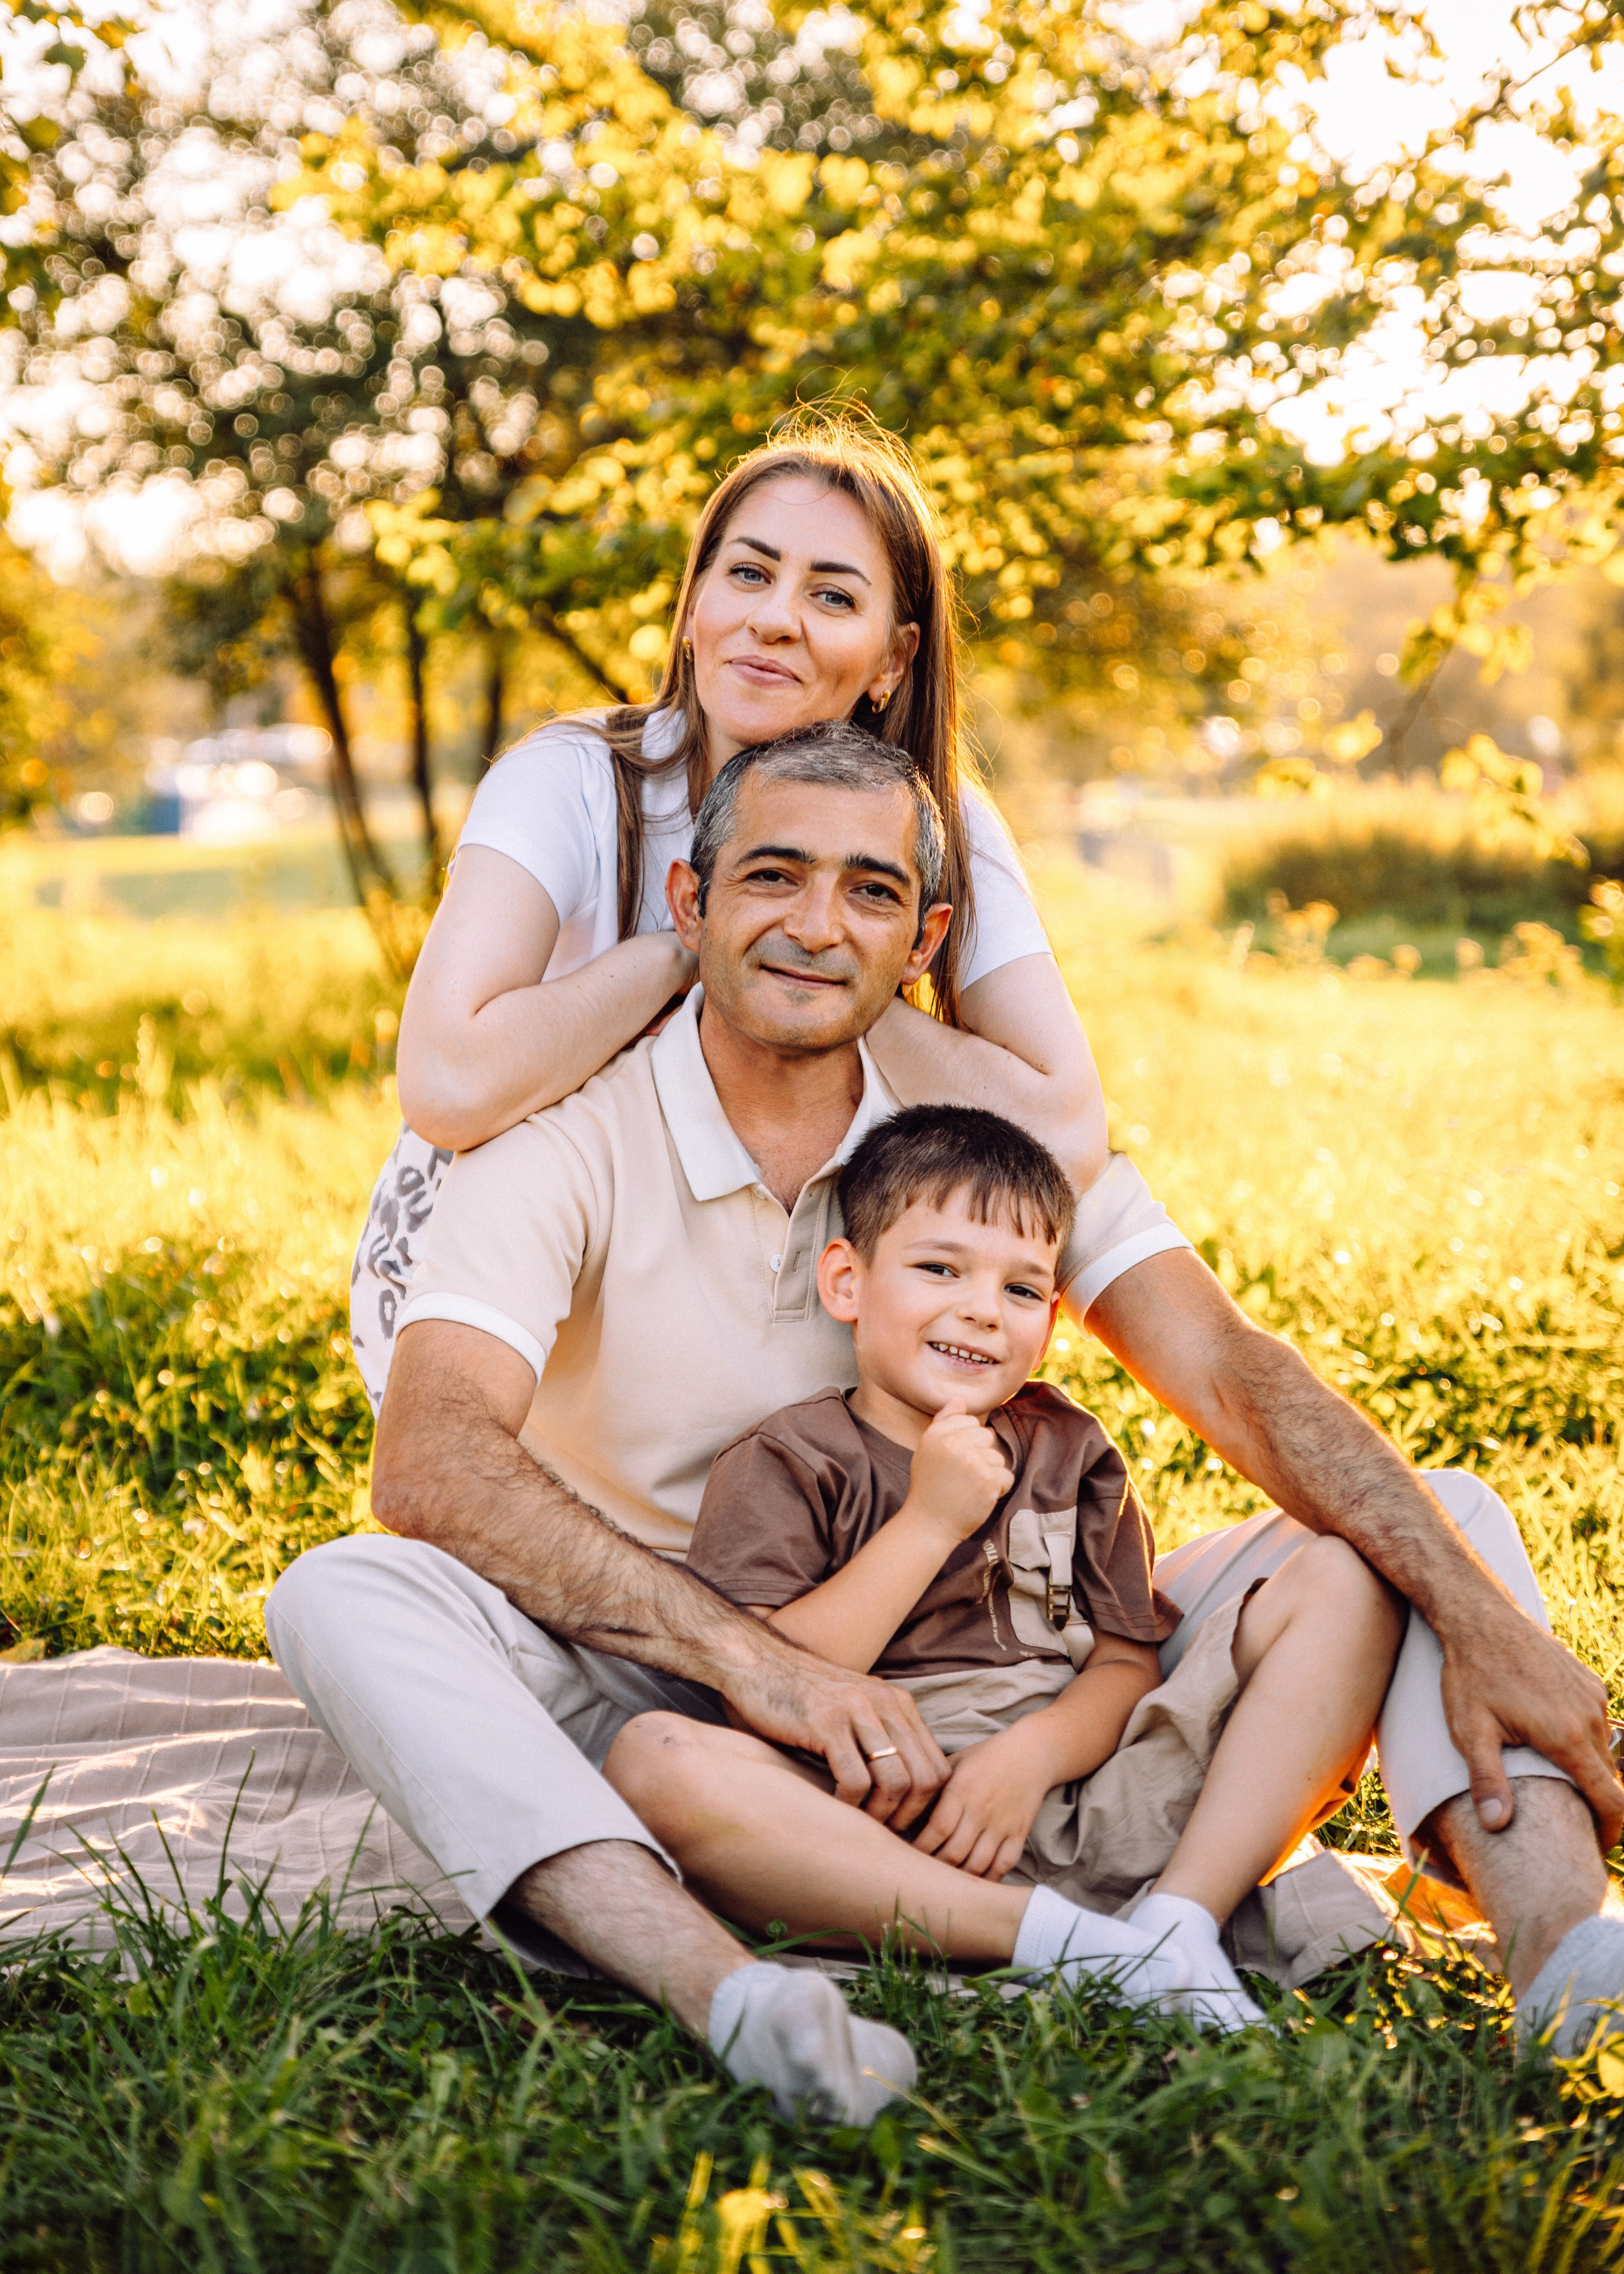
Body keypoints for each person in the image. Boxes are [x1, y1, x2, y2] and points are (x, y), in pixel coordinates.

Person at [265, 726, 1622, 2129]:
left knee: (1438, 1515)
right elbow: (428, 1456)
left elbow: (1221, 1361)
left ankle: (1557, 1956)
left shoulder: (976, 1148)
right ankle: (733, 1996)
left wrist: (1474, 1610)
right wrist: (761, 1668)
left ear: (922, 937)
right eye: (771, 876)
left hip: (1008, 1660)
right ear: (690, 903)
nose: (811, 923)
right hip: (664, 1669)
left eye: (865, 890)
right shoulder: (565, 1140)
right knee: (342, 1590)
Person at [350, 414, 1106, 1414]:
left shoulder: (940, 820)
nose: (775, 618)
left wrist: (826, 962)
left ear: (892, 658)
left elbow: (1067, 1128)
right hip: (524, 1290)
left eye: (832, 595)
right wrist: (696, 948)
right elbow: (447, 1081)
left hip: (773, 1268)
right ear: (695, 607)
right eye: (747, 575)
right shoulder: (578, 777)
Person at [611, 1102, 1406, 2034]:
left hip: (1087, 1797)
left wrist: (1028, 1760)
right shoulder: (790, 1459)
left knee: (1352, 1576)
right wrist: (929, 1521)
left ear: (1052, 1322)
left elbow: (1123, 1663)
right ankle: (1069, 1945)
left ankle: (1181, 1921)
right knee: (654, 1760)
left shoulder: (1066, 1446)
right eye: (939, 1269)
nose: (983, 1309)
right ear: (846, 1282)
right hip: (885, 1829)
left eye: (1023, 1291)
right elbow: (763, 1680)